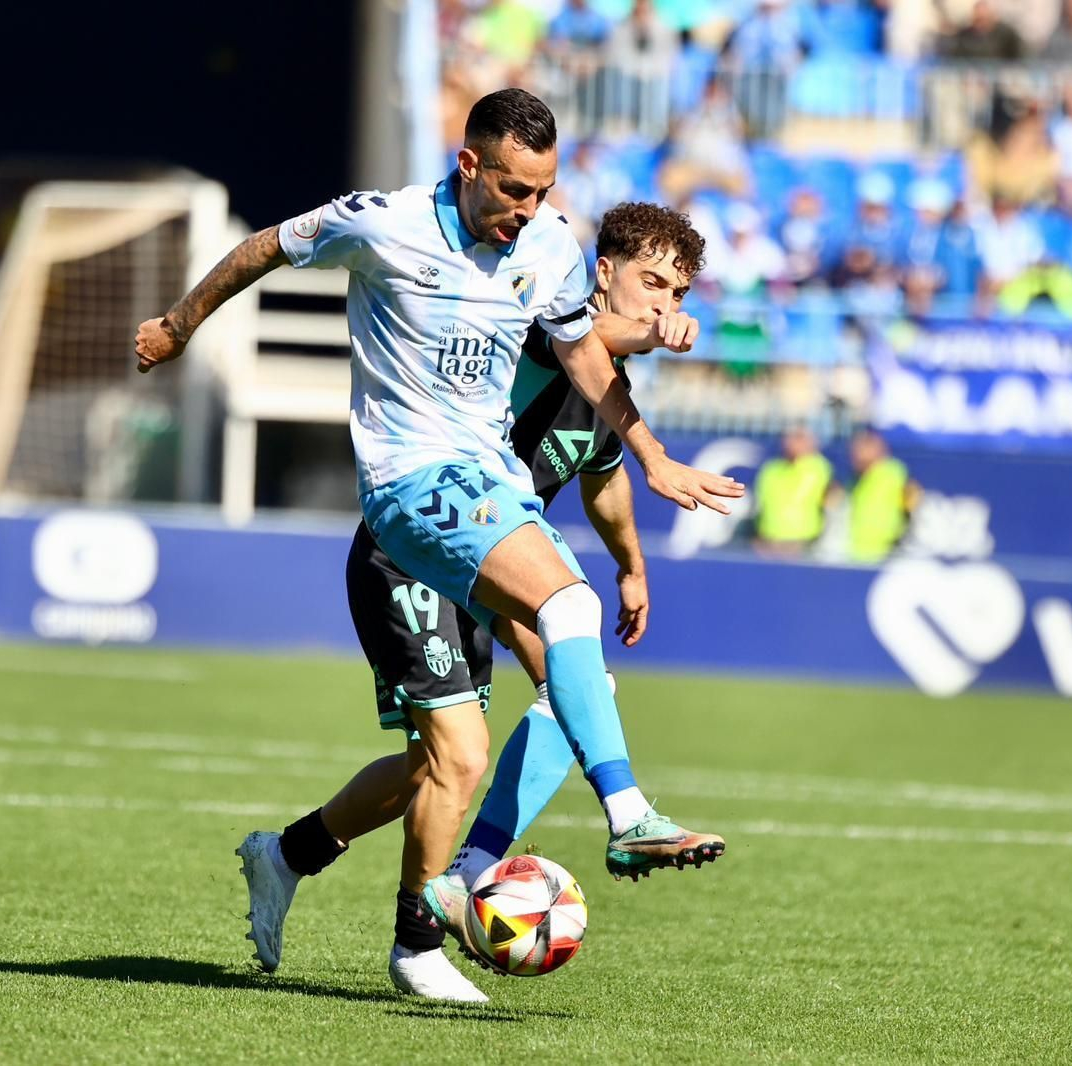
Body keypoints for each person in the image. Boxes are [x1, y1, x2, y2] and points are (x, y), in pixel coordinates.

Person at [133, 89, 741, 995]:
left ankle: (302, 857)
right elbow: (268, 246)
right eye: (512, 189)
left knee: (459, 753)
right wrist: (181, 324)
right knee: (557, 619)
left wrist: (643, 514)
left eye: (542, 192)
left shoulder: (546, 249)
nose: (527, 210)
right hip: (413, 504)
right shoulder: (385, 226)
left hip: (488, 512)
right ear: (469, 166)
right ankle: (597, 831)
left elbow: (593, 404)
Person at [235, 204, 721, 1004]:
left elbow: (604, 484)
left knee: (563, 700)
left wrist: (633, 568)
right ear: (602, 272)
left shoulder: (608, 396)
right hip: (414, 554)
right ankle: (419, 941)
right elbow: (594, 339)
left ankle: (327, 859)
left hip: (495, 565)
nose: (664, 303)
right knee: (453, 762)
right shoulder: (534, 319)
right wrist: (650, 332)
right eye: (651, 282)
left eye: (678, 290)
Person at [754, 425, 833, 555]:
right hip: (770, 541)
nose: (793, 444)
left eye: (800, 439)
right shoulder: (771, 470)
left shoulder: (818, 468)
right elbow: (760, 505)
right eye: (791, 439)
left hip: (804, 542)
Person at [847, 428, 917, 563]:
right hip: (859, 552)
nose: (855, 455)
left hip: (885, 552)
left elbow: (912, 502)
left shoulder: (893, 474)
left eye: (861, 449)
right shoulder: (859, 479)